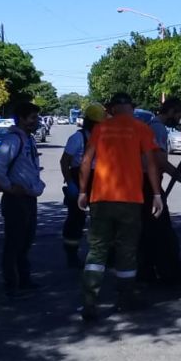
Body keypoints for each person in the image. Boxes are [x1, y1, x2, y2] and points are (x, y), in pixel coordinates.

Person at [78, 93, 163, 322]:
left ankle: (90, 301)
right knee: (126, 250)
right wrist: (156, 194)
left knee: (97, 251)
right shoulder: (141, 128)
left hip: (101, 199)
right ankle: (126, 299)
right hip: (130, 200)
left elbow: (86, 161)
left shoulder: (101, 129)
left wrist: (83, 191)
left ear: (113, 109)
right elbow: (151, 163)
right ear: (131, 108)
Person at [0, 101, 45, 297]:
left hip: (28, 198)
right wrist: (10, 187)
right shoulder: (13, 140)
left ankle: (24, 279)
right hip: (16, 200)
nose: (36, 122)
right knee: (15, 241)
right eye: (32, 118)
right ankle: (12, 282)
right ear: (21, 118)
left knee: (26, 240)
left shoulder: (28, 139)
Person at [134, 98, 181, 285]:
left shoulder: (150, 125)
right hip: (150, 184)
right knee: (162, 232)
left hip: (144, 182)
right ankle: (169, 273)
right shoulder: (158, 128)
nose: (179, 119)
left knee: (148, 231)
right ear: (171, 110)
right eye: (179, 114)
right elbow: (160, 161)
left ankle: (147, 271)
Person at [59, 103, 106, 268]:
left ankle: (99, 253)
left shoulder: (103, 137)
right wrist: (71, 183)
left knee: (100, 218)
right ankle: (71, 254)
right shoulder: (77, 138)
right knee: (76, 218)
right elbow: (64, 162)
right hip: (78, 177)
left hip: (98, 179)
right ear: (92, 123)